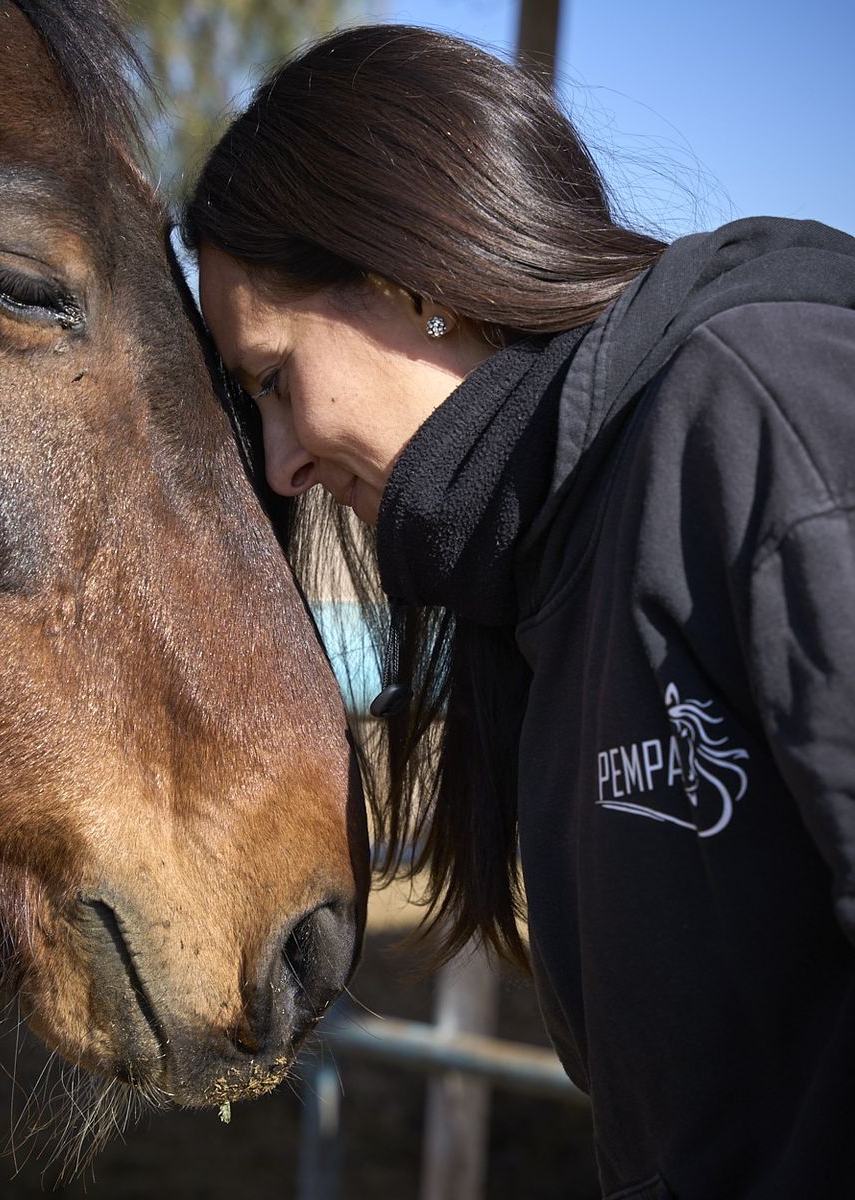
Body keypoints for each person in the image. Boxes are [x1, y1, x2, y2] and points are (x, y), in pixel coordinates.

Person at [182, 24, 855, 1200]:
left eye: (275, 381)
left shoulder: (761, 412)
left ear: (410, 281)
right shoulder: (537, 568)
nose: (282, 464)